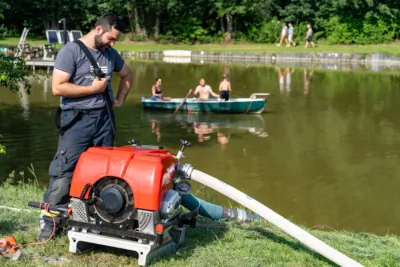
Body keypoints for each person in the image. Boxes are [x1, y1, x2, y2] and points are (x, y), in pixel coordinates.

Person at [39, 13, 133, 241]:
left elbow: (127, 74)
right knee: (64, 172)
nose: (113, 44)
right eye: (111, 38)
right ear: (99, 29)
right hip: (76, 121)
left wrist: (120, 98)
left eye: (115, 41)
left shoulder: (110, 54)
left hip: (105, 120)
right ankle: (50, 227)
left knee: (103, 175)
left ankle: (93, 223)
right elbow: (58, 88)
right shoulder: (71, 51)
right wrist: (92, 89)